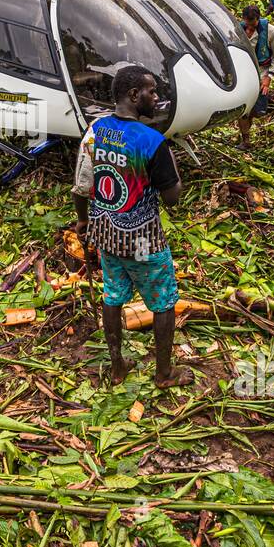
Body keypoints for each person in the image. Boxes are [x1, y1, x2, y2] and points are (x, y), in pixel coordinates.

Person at [71, 65, 190, 389]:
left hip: (106, 234)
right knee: (163, 302)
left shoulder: (97, 129)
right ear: (134, 95)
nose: (156, 97)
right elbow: (172, 198)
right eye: (151, 91)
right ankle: (164, 374)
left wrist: (83, 220)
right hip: (143, 241)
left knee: (114, 296)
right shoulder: (152, 141)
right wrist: (172, 163)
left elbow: (82, 185)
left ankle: (117, 366)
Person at [236, 5, 274, 148]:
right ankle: (246, 140)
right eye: (247, 24)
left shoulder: (271, 31)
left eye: (253, 24)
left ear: (258, 19)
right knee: (243, 109)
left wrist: (269, 76)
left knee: (259, 111)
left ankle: (257, 131)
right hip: (243, 74)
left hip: (262, 73)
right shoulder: (238, 29)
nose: (250, 28)